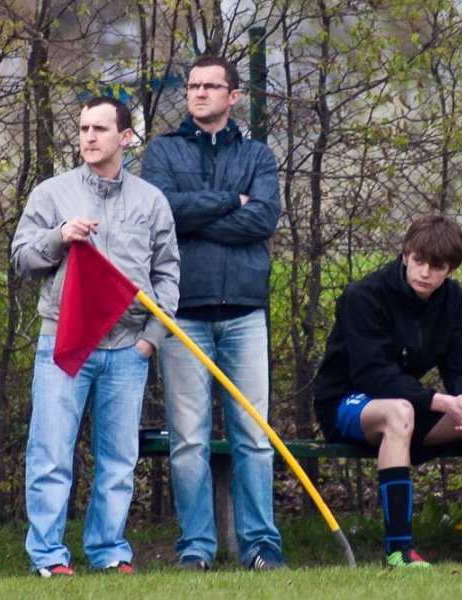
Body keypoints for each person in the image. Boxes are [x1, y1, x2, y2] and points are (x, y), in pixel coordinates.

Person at [11, 96, 180, 577]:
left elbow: (167, 275)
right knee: (50, 451)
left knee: (118, 459)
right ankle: (47, 556)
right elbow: (22, 257)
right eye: (84, 128)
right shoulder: (52, 194)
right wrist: (59, 236)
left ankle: (108, 550)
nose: (89, 137)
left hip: (127, 347)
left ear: (125, 137)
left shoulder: (151, 201)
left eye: (100, 129)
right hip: (63, 344)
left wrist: (150, 338)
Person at [314, 214, 462, 568]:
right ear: (405, 254)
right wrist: (440, 401)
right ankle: (400, 550)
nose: (424, 272)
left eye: (436, 266)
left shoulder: (454, 301)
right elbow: (372, 375)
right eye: (418, 261)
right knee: (399, 411)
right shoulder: (365, 295)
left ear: (450, 269)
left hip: (412, 403)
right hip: (349, 402)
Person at [141, 55, 284, 571]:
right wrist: (230, 201)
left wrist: (199, 215)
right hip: (182, 312)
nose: (198, 94)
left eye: (210, 86)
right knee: (189, 439)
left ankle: (261, 548)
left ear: (234, 96)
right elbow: (161, 211)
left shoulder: (259, 155)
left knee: (254, 435)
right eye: (193, 86)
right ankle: (196, 549)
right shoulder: (161, 150)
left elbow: (262, 217)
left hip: (245, 311)